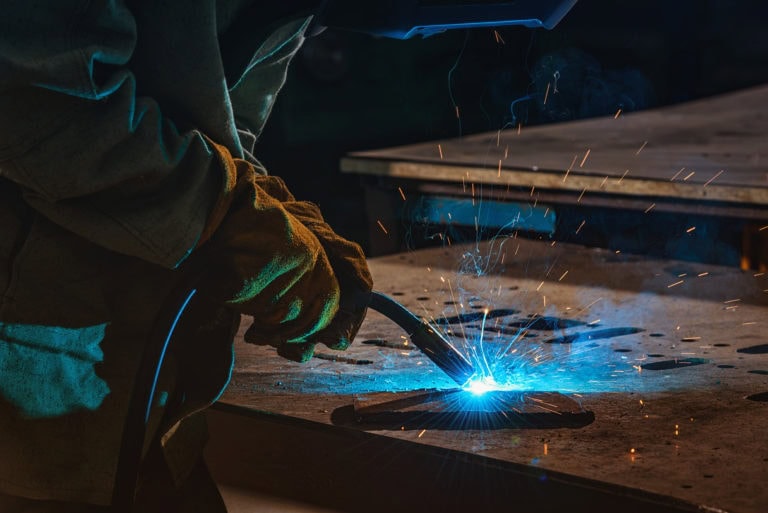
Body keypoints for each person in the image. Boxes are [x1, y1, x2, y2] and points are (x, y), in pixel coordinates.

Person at [0, 1, 372, 511]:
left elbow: (217, 130)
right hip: (31, 420)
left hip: (154, 409)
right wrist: (230, 220)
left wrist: (271, 209)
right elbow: (43, 105)